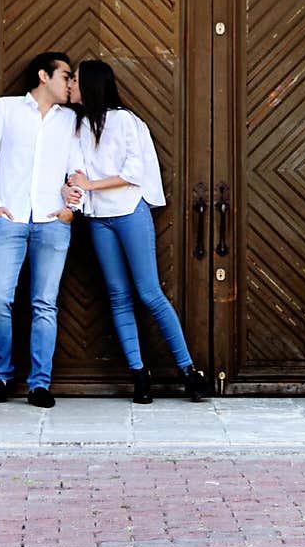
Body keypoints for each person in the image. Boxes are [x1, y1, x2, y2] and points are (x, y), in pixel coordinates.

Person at [65, 60, 210, 403]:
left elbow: (133, 172)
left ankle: (188, 371)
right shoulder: (78, 125)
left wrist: (90, 183)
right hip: (99, 218)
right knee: (118, 296)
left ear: (89, 84)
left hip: (129, 212)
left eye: (74, 79)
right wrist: (76, 186)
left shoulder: (125, 121)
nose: (70, 84)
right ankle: (138, 375)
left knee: (149, 293)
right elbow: (73, 170)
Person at [0, 50, 77, 408]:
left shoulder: (69, 121)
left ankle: (39, 385)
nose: (70, 83)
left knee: (44, 304)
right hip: (10, 218)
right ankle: (0, 377)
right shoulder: (5, 109)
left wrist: (70, 208)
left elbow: (76, 171)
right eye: (66, 76)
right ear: (43, 76)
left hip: (52, 221)